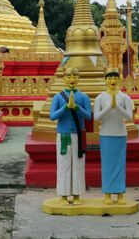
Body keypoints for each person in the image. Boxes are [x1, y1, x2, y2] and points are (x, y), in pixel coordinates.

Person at [49, 67, 92, 205]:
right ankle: (63, 195)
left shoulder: (83, 97)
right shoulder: (58, 97)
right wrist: (66, 107)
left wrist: (77, 107)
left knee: (78, 165)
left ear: (79, 78)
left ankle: (77, 194)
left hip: (78, 135)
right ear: (64, 78)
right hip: (63, 135)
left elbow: (89, 116)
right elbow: (52, 116)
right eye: (68, 76)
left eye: (75, 76)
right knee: (63, 165)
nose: (72, 79)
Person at [94, 68, 133, 205]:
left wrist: (117, 107)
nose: (113, 81)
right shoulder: (100, 97)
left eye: (115, 78)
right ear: (105, 80)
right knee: (107, 165)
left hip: (120, 134)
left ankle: (120, 193)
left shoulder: (125, 97)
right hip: (106, 134)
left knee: (120, 165)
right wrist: (110, 107)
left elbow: (129, 117)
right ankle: (107, 194)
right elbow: (96, 117)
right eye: (109, 78)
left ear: (119, 80)